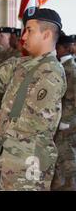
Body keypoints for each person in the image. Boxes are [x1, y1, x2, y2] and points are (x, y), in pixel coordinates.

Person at [0, 7, 66, 190]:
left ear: (46, 34)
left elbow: (37, 122)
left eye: (29, 30)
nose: (23, 36)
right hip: (14, 156)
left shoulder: (51, 72)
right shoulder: (21, 65)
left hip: (31, 159)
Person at [52, 33, 76, 191]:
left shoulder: (71, 70)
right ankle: (59, 179)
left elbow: (72, 99)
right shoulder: (61, 66)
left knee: (66, 149)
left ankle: (70, 181)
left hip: (69, 118)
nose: (56, 50)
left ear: (66, 48)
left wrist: (66, 121)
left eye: (59, 47)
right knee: (58, 148)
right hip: (60, 116)